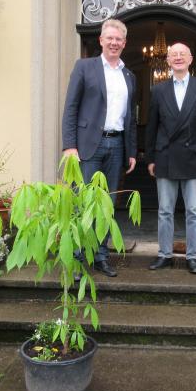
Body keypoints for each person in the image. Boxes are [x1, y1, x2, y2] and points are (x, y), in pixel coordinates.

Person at [61, 19, 137, 277]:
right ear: (101, 40)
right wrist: (69, 145)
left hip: (117, 145)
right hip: (87, 146)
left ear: (124, 43)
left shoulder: (129, 76)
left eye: (119, 39)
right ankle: (76, 259)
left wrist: (131, 151)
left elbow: (131, 117)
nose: (114, 42)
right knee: (83, 203)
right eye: (110, 38)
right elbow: (71, 108)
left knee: (107, 204)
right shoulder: (84, 67)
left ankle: (100, 256)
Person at [145, 43, 196, 274]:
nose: (178, 58)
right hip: (166, 157)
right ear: (167, 60)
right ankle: (164, 254)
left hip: (195, 157)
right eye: (173, 55)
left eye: (182, 54)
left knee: (194, 212)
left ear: (190, 59)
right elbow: (152, 127)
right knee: (165, 211)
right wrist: (150, 158)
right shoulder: (158, 90)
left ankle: (193, 257)